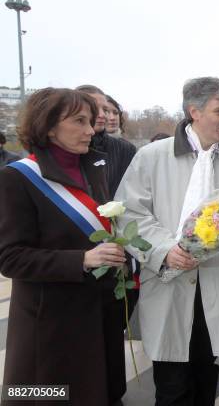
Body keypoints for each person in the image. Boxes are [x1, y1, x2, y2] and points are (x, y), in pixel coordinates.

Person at [115, 77, 219, 405]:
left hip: (217, 281)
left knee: (205, 378)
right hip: (169, 282)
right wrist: (166, 251)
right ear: (194, 111)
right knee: (172, 384)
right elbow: (130, 215)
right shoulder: (152, 157)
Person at [0, 88, 127, 405]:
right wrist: (81, 259)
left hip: (98, 316)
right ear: (49, 126)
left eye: (91, 121)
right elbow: (10, 258)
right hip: (51, 325)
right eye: (79, 121)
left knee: (100, 393)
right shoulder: (17, 178)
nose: (90, 130)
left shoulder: (94, 168)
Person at [76, 85, 136, 198]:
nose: (103, 115)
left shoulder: (124, 149)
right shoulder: (66, 148)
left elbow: (133, 194)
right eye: (93, 108)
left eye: (105, 110)